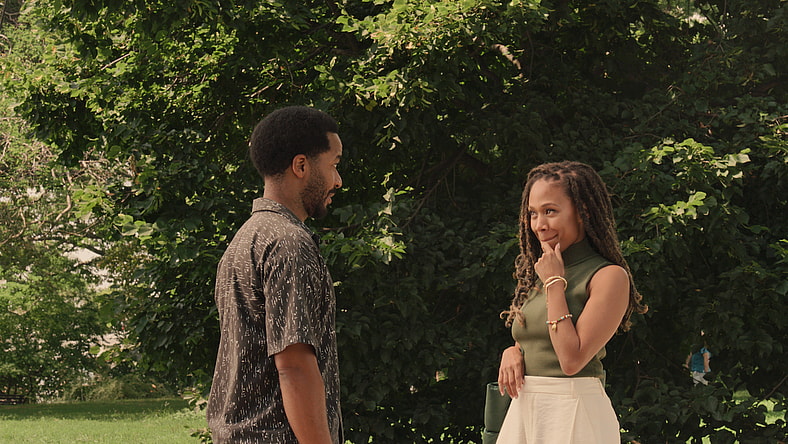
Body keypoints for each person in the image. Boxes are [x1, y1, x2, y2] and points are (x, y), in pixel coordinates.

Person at [206, 106, 344, 443]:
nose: (338, 181)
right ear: (301, 166)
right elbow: (294, 366)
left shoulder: (245, 240)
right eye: (334, 166)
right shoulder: (288, 244)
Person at [496, 161, 648, 443]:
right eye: (533, 214)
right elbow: (539, 339)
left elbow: (571, 359)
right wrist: (513, 351)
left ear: (583, 211)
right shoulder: (543, 271)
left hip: (573, 410)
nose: (539, 225)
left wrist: (554, 283)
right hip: (525, 411)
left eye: (550, 211)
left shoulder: (608, 276)